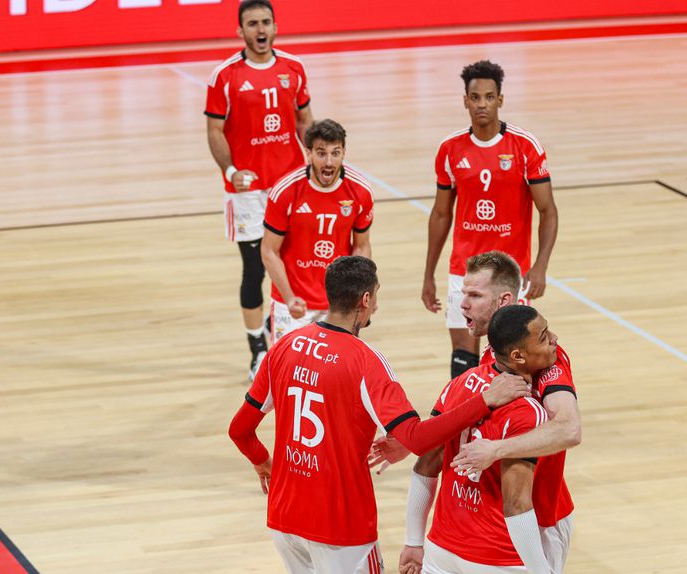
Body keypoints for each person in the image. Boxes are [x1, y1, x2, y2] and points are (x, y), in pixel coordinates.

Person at [228, 256, 531, 574]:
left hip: (284, 519)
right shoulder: (365, 361)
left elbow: (239, 430)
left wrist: (263, 461)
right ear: (366, 299)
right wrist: (485, 399)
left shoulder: (284, 347)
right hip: (341, 527)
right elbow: (416, 438)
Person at [370, 252, 580, 573]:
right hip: (481, 525)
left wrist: (496, 450)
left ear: (504, 300)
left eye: (474, 295)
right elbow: (447, 437)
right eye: (463, 294)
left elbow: (568, 430)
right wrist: (415, 439)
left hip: (539, 517)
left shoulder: (546, 358)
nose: (463, 304)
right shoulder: (489, 359)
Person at [421, 60, 559, 379]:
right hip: (464, 270)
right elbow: (441, 214)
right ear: (465, 101)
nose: (482, 104)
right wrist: (428, 275)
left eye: (488, 96)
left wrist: (540, 266)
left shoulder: (525, 147)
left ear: (500, 99)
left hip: (510, 271)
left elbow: (548, 210)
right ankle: (464, 429)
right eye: (475, 97)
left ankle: (510, 425)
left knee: (509, 360)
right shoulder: (450, 149)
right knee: (462, 364)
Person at [399, 305, 560, 574]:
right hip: (495, 558)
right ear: (518, 356)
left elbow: (425, 466)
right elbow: (517, 505)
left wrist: (414, 541)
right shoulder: (527, 412)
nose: (554, 338)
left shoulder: (460, 383)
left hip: (441, 551)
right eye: (544, 336)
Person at [205, 0, 314, 379]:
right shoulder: (225, 76)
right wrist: (231, 169)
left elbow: (304, 121)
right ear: (241, 32)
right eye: (252, 24)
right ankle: (257, 350)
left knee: (292, 265)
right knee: (254, 269)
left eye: (266, 22)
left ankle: (286, 334)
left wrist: (316, 160)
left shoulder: (293, 68)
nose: (260, 29)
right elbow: (215, 131)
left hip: (289, 186)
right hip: (247, 192)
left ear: (275, 26)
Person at [261, 119, 373, 344]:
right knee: (286, 372)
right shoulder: (285, 191)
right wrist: (289, 298)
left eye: (336, 153)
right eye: (321, 153)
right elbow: (269, 250)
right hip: (292, 303)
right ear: (308, 154)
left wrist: (362, 292)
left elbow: (361, 245)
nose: (329, 161)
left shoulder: (360, 191)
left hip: (337, 304)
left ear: (344, 153)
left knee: (334, 372)